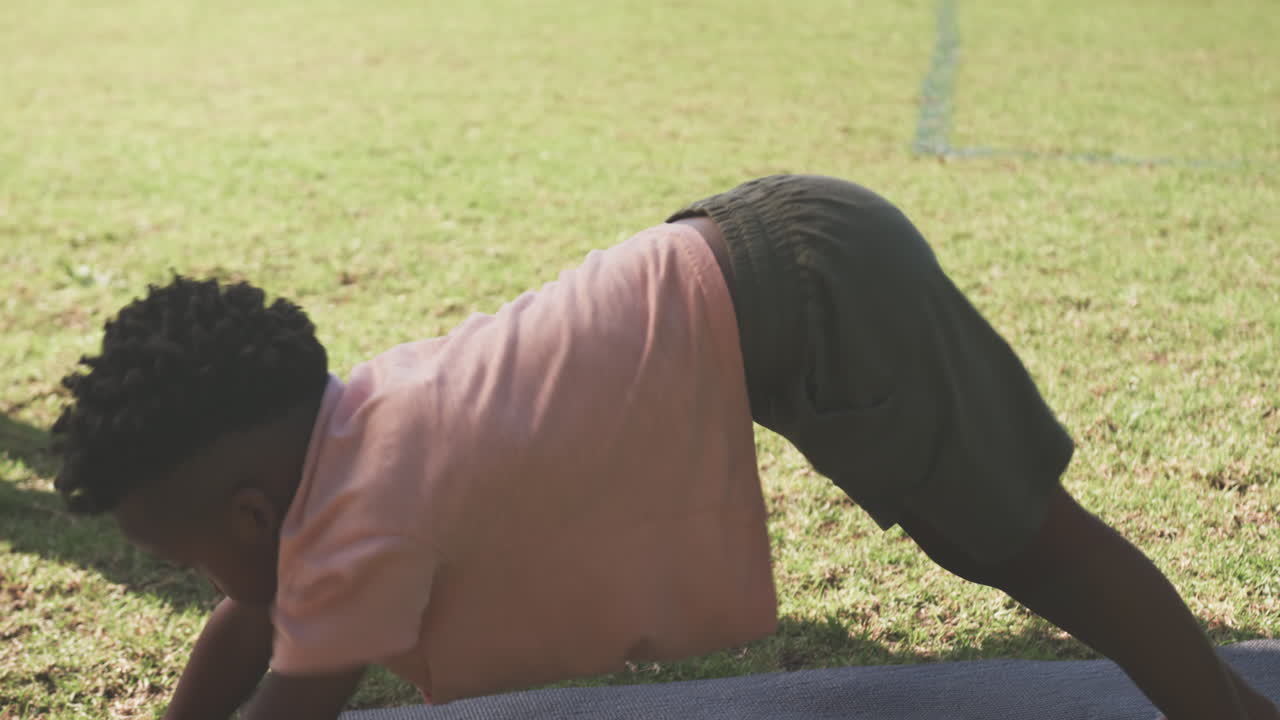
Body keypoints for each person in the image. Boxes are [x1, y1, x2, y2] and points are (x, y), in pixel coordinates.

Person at [51, 175, 1277, 719]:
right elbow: (252, 616)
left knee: (1024, 546)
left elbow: (288, 691)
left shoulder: (374, 503)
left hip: (810, 287)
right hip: (778, 271)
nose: (205, 586)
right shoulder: (350, 430)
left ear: (256, 515)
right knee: (994, 545)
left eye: (188, 556)